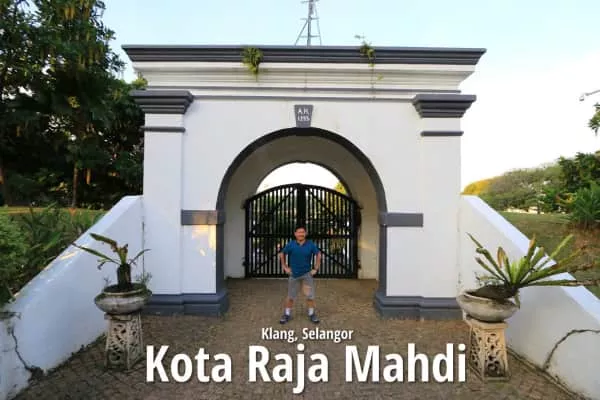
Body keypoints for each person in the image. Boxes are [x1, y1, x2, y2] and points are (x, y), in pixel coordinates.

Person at [278, 225, 321, 324]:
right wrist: (285, 267)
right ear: (295, 234)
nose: (301, 234)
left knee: (309, 296)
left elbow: (318, 254)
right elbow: (282, 254)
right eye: (299, 232)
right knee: (290, 296)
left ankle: (312, 314)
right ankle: (287, 314)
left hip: (306, 275)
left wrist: (315, 268)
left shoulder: (310, 244)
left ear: (305, 234)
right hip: (294, 275)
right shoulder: (291, 244)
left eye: (303, 232)